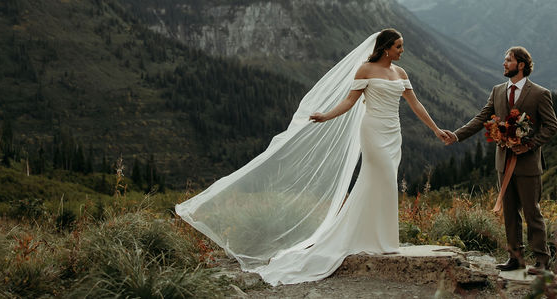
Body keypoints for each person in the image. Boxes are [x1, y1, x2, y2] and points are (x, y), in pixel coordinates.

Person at [176, 29, 450, 285]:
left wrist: (436, 130)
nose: (403, 50)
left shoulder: (400, 72)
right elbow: (349, 102)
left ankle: (381, 240)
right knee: (382, 180)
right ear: (386, 48)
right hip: (373, 131)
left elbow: (415, 104)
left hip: (394, 133)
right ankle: (375, 240)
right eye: (399, 46)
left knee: (382, 182)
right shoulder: (365, 69)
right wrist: (326, 115)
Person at [444, 46, 557, 274]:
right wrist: (456, 135)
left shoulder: (539, 93)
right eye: (505, 60)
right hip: (503, 163)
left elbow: (552, 126)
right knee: (509, 212)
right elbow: (481, 118)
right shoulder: (497, 91)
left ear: (521, 65)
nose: (504, 64)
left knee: (531, 212)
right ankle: (515, 257)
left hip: (527, 164)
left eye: (508, 60)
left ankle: (543, 261)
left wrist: (528, 144)